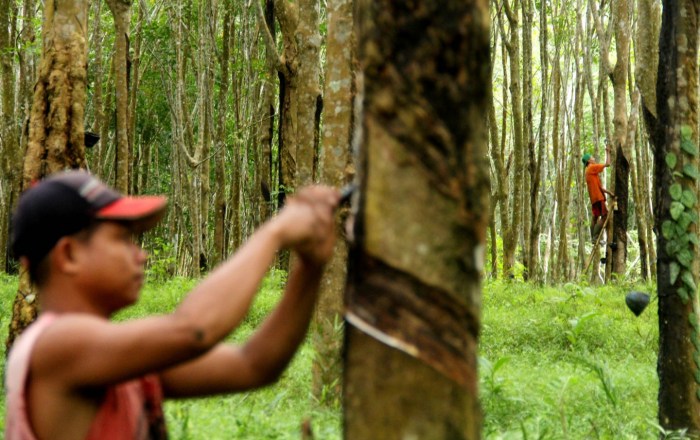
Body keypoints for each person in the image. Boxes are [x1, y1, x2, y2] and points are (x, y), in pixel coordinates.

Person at [5, 170, 339, 440]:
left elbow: (254, 364)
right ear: (70, 255)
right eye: (122, 239)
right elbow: (193, 329)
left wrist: (309, 268)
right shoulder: (56, 344)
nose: (141, 255)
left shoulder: (115, 360)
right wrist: (275, 231)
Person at [583, 141, 615, 241]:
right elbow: (608, 164)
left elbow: (599, 187)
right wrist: (608, 152)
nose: (594, 158)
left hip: (594, 198)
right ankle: (595, 237)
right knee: (605, 216)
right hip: (598, 198)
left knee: (595, 217)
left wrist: (609, 193)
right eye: (592, 157)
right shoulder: (591, 168)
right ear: (589, 161)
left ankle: (593, 237)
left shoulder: (589, 172)